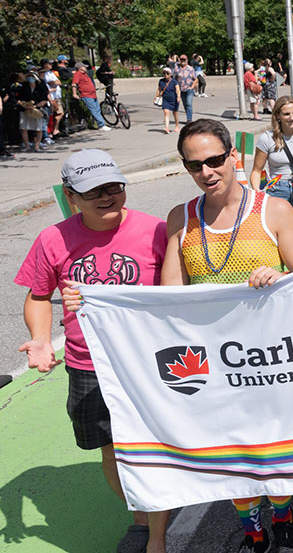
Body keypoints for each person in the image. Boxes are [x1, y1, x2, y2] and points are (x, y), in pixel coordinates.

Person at [160, 119, 293, 553]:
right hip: (208, 359)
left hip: (267, 356)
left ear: (234, 157)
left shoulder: (273, 211)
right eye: (195, 165)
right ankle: (252, 529)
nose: (207, 172)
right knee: (227, 451)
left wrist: (278, 274)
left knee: (271, 447)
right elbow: (168, 293)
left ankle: (284, 520)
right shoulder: (181, 218)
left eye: (213, 160)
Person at [14, 150, 170, 553]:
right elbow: (37, 297)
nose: (107, 197)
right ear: (71, 196)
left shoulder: (155, 231)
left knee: (154, 445)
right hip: (88, 363)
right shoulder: (53, 239)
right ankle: (141, 518)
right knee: (110, 451)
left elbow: (179, 292)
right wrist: (42, 338)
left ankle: (156, 533)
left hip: (145, 360)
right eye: (93, 191)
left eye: (114, 187)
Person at [251, 97, 293, 261]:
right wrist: (258, 195)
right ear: (278, 116)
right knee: (278, 241)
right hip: (277, 190)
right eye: (286, 114)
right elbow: (256, 171)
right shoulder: (267, 138)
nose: (292, 117)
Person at [18, 68, 49, 151]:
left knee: (38, 128)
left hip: (37, 109)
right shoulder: (24, 86)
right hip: (25, 109)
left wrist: (36, 106)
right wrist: (25, 106)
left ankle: (37, 146)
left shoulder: (41, 85)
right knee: (24, 127)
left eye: (32, 76)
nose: (30, 78)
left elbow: (44, 99)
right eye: (28, 76)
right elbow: (19, 98)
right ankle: (27, 146)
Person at [72, 61, 109, 131]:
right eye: (84, 67)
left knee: (97, 109)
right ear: (80, 68)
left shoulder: (85, 74)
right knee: (94, 110)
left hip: (92, 94)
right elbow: (74, 84)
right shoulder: (77, 74)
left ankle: (98, 123)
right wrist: (74, 93)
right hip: (86, 95)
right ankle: (101, 125)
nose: (86, 68)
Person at [156, 66, 181, 133]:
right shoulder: (161, 81)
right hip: (165, 99)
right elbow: (159, 89)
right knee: (166, 112)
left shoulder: (174, 81)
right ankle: (166, 128)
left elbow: (178, 90)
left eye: (167, 73)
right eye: (164, 73)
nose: (165, 75)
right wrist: (156, 97)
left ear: (170, 74)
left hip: (174, 99)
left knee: (175, 113)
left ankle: (177, 126)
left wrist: (178, 96)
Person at [175, 53, 197, 122]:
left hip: (189, 89)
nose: (182, 61)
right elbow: (174, 80)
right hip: (181, 89)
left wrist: (192, 87)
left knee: (188, 103)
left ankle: (189, 120)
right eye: (181, 59)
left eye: (184, 59)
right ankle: (188, 116)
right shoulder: (177, 69)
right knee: (185, 105)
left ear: (187, 60)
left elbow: (196, 79)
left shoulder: (190, 68)